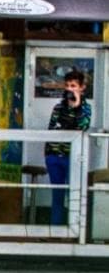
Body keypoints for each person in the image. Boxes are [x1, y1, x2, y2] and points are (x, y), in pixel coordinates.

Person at [45, 70, 91, 225]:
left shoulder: (85, 108)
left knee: (74, 194)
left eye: (73, 86)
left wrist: (76, 107)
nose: (70, 89)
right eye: (67, 85)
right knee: (57, 195)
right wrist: (49, 153)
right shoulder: (58, 107)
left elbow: (82, 126)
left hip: (73, 157)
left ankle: (74, 230)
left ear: (82, 87)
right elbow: (53, 129)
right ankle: (55, 230)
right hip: (54, 156)